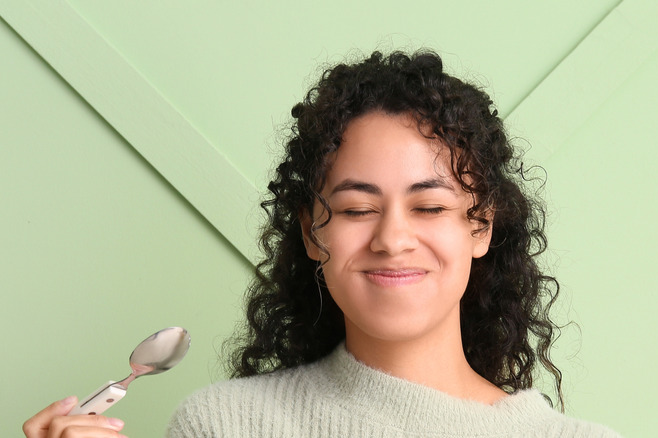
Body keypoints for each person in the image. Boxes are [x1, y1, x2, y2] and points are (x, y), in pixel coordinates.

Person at [23, 50, 620, 438]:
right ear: (312, 231)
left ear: (481, 226)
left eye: (430, 206)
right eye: (358, 208)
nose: (391, 239)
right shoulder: (226, 424)